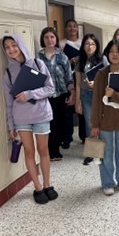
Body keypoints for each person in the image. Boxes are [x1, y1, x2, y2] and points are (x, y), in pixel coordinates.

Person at [1, 35, 58, 204]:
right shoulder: (8, 74)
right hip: (21, 118)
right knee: (29, 152)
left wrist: (29, 94)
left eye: (14, 45)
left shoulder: (38, 64)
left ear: (20, 45)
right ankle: (38, 187)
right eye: (7, 47)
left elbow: (50, 88)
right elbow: (8, 102)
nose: (11, 50)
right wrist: (11, 124)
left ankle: (48, 184)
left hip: (41, 114)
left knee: (43, 150)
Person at [91, 40, 119, 195]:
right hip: (105, 121)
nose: (114, 54)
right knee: (106, 154)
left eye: (118, 51)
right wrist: (95, 124)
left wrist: (114, 95)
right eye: (111, 51)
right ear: (107, 54)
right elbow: (97, 100)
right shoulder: (101, 75)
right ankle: (108, 183)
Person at [37, 27, 75, 161]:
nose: (49, 40)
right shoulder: (37, 58)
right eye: (46, 37)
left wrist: (72, 92)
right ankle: (50, 151)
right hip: (44, 97)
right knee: (48, 124)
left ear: (56, 39)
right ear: (43, 39)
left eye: (52, 37)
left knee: (59, 123)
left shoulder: (62, 57)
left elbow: (69, 77)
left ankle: (56, 150)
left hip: (60, 95)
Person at [75, 34, 106, 165]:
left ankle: (103, 152)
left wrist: (97, 84)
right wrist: (77, 101)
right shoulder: (79, 61)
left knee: (102, 123)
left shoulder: (102, 59)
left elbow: (108, 78)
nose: (90, 46)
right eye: (87, 43)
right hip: (86, 95)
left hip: (100, 95)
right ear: (83, 46)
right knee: (89, 124)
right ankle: (92, 153)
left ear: (97, 46)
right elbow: (77, 83)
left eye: (93, 44)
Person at [59, 19, 84, 147]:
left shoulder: (82, 43)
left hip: (80, 75)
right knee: (68, 107)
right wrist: (69, 61)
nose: (72, 29)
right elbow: (58, 61)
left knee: (81, 106)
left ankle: (84, 136)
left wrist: (80, 58)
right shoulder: (61, 43)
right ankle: (67, 137)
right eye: (69, 26)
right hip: (67, 77)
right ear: (65, 28)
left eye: (74, 26)